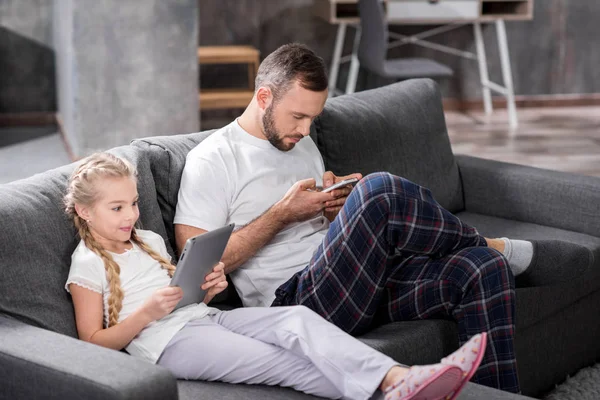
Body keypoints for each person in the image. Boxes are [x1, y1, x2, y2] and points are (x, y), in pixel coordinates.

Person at [173, 43, 593, 394]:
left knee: (481, 271)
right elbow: (197, 266)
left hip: (358, 283)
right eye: (297, 117)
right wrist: (283, 214)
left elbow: (323, 227)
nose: (304, 129)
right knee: (379, 189)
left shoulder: (300, 144)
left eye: (312, 119)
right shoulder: (212, 159)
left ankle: (494, 383)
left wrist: (334, 207)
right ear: (263, 97)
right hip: (297, 302)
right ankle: (486, 241)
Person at [63, 152, 490, 400]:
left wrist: (208, 290)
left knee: (298, 321)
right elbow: (91, 343)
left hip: (200, 319)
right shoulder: (87, 262)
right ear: (84, 210)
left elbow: (185, 299)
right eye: (116, 208)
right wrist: (146, 315)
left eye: (133, 203)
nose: (131, 215)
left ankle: (400, 381)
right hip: (164, 343)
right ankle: (398, 383)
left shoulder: (149, 238)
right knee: (283, 361)